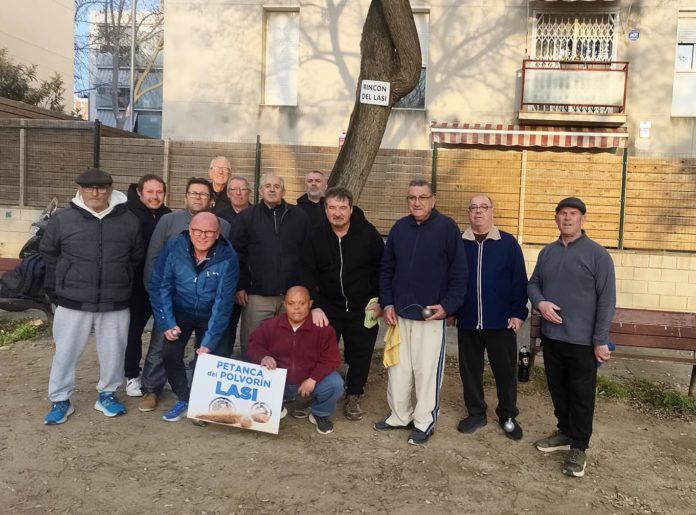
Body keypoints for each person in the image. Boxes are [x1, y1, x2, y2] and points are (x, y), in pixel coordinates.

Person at [40, 167, 144, 425]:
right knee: (65, 353)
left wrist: (120, 279)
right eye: (89, 188)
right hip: (72, 301)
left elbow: (135, 257)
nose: (95, 192)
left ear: (110, 189)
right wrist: (60, 286)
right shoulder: (63, 220)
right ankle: (60, 399)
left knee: (114, 353)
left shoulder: (129, 220)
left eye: (101, 187)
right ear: (80, 189)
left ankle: (107, 394)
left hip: (115, 301)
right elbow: (49, 254)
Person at [528, 196, 616, 478]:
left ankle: (579, 447)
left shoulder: (598, 255)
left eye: (573, 214)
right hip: (553, 337)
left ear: (582, 219)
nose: (567, 218)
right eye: (562, 213)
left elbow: (607, 300)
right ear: (556, 218)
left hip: (582, 341)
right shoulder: (547, 253)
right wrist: (540, 303)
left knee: (581, 396)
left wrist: (600, 340)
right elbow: (533, 284)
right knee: (558, 389)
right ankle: (564, 432)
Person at [375, 179, 468, 445]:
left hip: (431, 315)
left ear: (433, 200)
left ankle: (424, 421)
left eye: (422, 197)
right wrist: (387, 303)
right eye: (412, 198)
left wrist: (448, 305)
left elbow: (459, 273)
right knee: (398, 369)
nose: (417, 202)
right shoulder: (399, 228)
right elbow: (387, 269)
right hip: (399, 315)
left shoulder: (447, 228)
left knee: (426, 371)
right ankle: (399, 415)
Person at [138, 177, 232, 413]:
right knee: (162, 346)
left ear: (211, 200)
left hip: (208, 304)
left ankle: (200, 396)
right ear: (185, 196)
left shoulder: (224, 230)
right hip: (174, 302)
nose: (198, 197)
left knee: (208, 349)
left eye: (203, 194)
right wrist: (160, 305)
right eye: (193, 193)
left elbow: (223, 284)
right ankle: (152, 388)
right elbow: (155, 260)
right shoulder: (169, 223)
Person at [149, 212, 238, 422]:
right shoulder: (174, 248)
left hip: (210, 312)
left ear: (218, 234)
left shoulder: (228, 256)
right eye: (198, 231)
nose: (203, 236)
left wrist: (209, 342)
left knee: (210, 356)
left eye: (209, 232)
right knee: (169, 353)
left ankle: (201, 402)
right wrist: (167, 323)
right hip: (181, 310)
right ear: (190, 231)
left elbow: (223, 302)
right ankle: (183, 397)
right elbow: (161, 285)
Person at [455, 194, 528, 440]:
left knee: (505, 372)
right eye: (473, 207)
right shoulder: (459, 243)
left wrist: (518, 313)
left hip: (501, 322)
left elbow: (519, 281)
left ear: (491, 211)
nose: (478, 211)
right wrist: (453, 310)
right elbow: (451, 279)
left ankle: (508, 415)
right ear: (469, 212)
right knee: (470, 371)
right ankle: (476, 413)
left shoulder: (507, 243)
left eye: (483, 207)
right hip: (467, 321)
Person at [310, 186, 384, 421]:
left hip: (363, 306)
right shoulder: (316, 235)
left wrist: (382, 301)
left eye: (342, 208)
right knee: (323, 351)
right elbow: (306, 271)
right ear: (325, 210)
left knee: (361, 352)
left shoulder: (368, 234)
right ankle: (321, 392)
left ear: (351, 210)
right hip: (328, 306)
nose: (337, 213)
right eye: (332, 208)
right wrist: (315, 305)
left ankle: (353, 394)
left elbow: (384, 268)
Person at [232, 173, 313, 357]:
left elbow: (308, 255)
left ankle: (284, 376)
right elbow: (237, 254)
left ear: (283, 191)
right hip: (257, 296)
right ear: (260, 190)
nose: (272, 190)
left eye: (277, 186)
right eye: (267, 186)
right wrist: (240, 286)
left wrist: (307, 290)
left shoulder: (299, 216)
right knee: (254, 343)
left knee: (287, 346)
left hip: (291, 296)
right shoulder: (247, 217)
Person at [247, 286, 343, 435]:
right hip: (279, 381)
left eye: (302, 303)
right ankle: (275, 406)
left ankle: (320, 413)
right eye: (291, 303)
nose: (296, 308)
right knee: (252, 374)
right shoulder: (270, 325)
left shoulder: (323, 329)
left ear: (310, 304)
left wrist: (313, 379)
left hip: (308, 382)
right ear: (285, 304)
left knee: (335, 383)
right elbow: (254, 345)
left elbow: (331, 358)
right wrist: (263, 356)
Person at [124, 174, 171, 397]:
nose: (155, 196)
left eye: (159, 192)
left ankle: (160, 375)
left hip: (162, 286)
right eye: (150, 192)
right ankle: (132, 375)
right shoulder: (127, 214)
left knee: (165, 332)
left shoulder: (168, 216)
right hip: (136, 287)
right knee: (133, 332)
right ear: (140, 192)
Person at [215, 175, 252, 357]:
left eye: (243, 189)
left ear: (249, 192)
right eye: (234, 190)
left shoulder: (258, 214)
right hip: (225, 283)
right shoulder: (218, 217)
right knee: (226, 325)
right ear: (228, 193)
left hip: (253, 282)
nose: (238, 193)